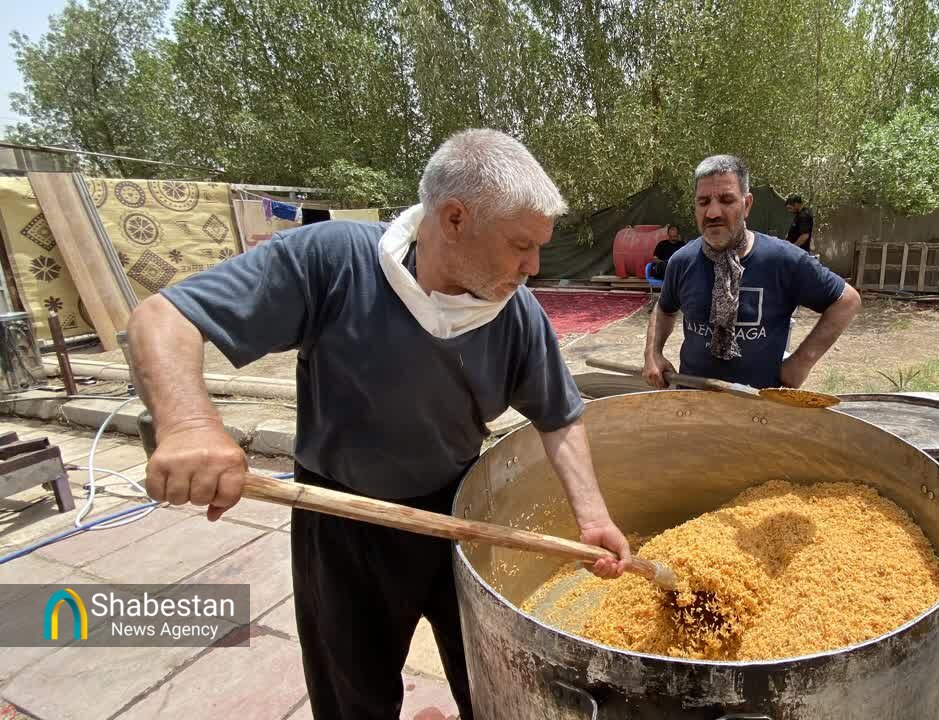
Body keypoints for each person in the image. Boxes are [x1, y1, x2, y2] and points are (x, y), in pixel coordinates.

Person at [126, 129, 632, 720]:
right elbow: (164, 317)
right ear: (454, 219)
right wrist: (190, 425)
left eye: (539, 247)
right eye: (521, 245)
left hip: (457, 515)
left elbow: (559, 415)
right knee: (354, 692)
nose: (533, 266)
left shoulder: (515, 312)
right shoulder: (333, 260)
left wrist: (593, 519)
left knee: (488, 677)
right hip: (342, 520)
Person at [642, 155, 860, 390]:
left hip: (759, 403)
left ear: (746, 204)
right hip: (693, 399)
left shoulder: (782, 260)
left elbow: (846, 301)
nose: (712, 212)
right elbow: (664, 308)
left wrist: (801, 362)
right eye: (703, 202)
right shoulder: (682, 261)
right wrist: (652, 353)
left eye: (726, 200)